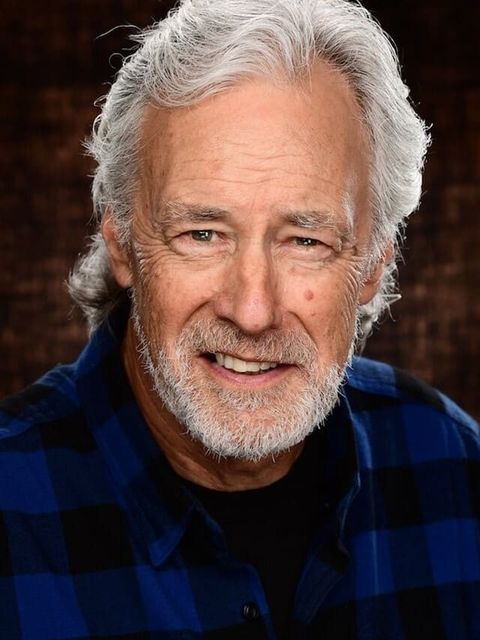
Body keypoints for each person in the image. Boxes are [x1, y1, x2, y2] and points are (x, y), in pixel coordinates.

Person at [0, 0, 478, 638]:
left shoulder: (454, 466)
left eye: (306, 240)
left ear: (372, 265)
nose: (252, 312)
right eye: (202, 233)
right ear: (122, 244)